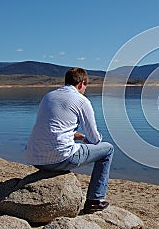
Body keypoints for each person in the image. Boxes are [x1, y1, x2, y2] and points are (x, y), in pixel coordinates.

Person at [24, 67, 114, 214]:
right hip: (59, 159)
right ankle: (94, 200)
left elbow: (52, 130)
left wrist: (77, 136)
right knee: (107, 149)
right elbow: (95, 139)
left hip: (35, 158)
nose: (85, 90)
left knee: (73, 146)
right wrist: (89, 140)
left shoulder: (49, 96)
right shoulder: (81, 100)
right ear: (81, 84)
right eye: (85, 86)